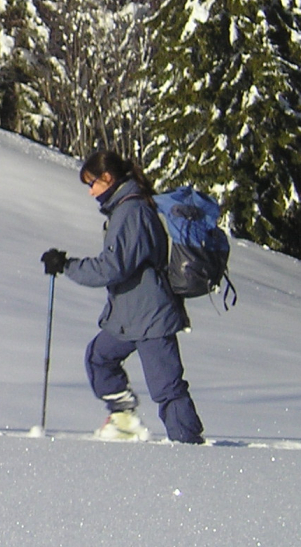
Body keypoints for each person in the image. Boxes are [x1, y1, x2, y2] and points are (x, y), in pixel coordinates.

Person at [41, 150, 205, 444]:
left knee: (167, 388)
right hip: (130, 315)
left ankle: (190, 449)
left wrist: (67, 266)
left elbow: (113, 267)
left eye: (92, 184)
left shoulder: (132, 212)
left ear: (108, 178)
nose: (90, 192)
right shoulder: (126, 208)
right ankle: (124, 418)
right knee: (100, 358)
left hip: (151, 315)